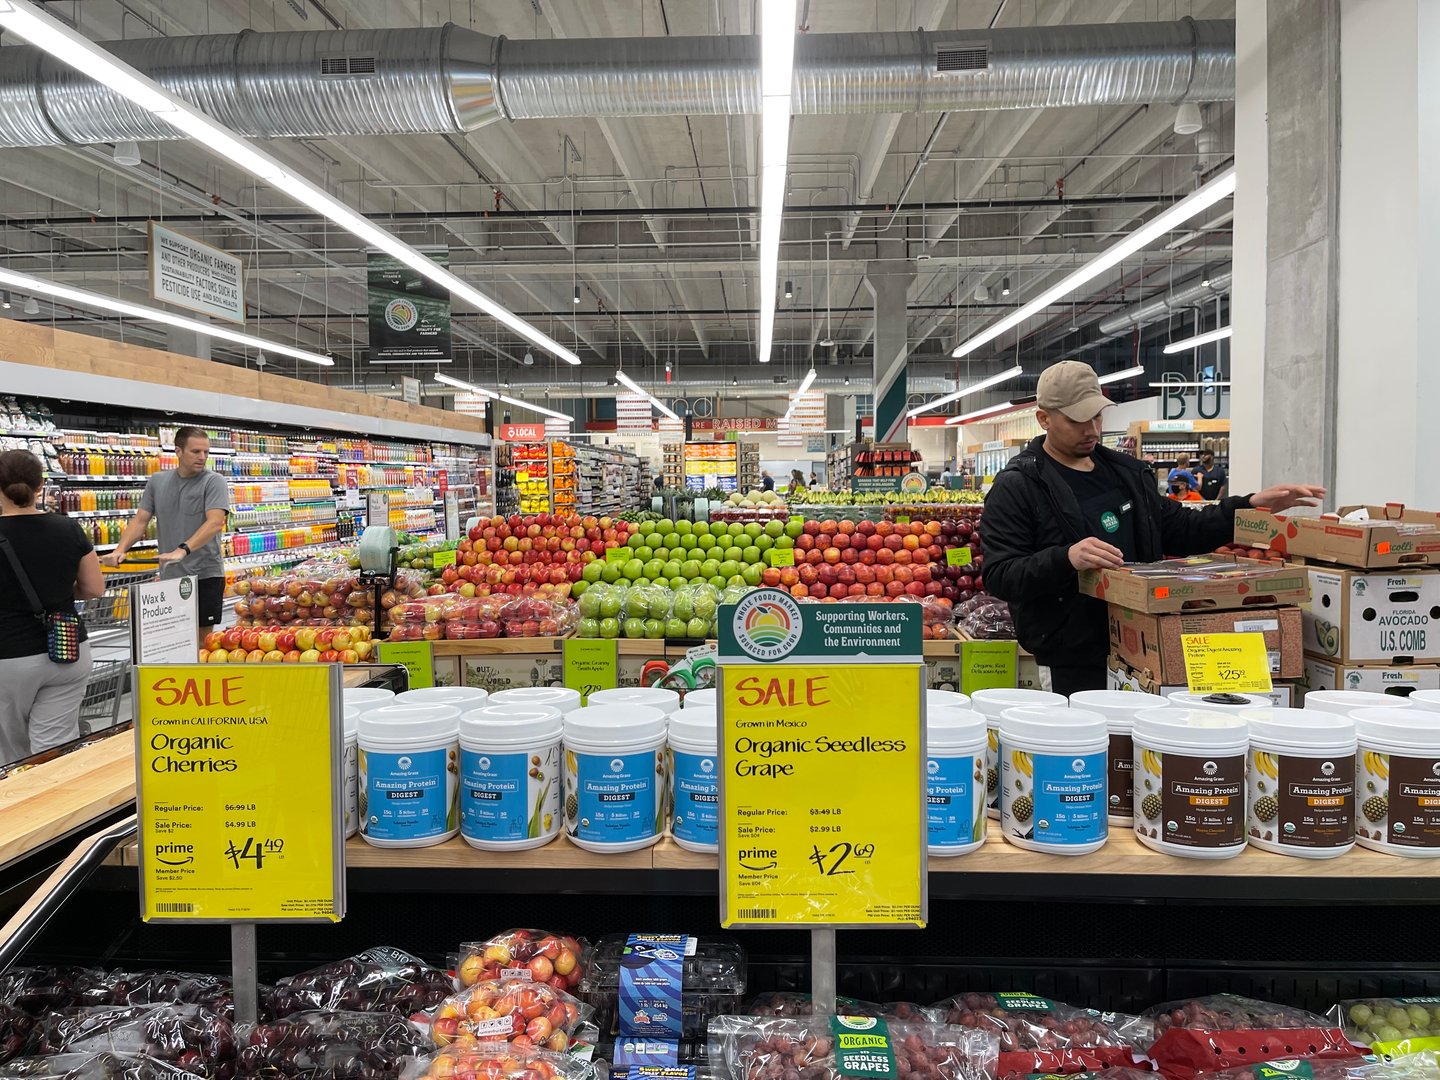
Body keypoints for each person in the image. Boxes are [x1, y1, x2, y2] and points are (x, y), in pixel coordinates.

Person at [982, 361, 1325, 696]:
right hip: (1069, 659)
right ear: (1044, 418)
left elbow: (1184, 529)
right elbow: (1001, 574)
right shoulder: (1020, 486)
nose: (1092, 430)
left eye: (1097, 416)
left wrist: (1248, 506)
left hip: (1142, 650)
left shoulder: (1127, 474)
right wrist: (1066, 558)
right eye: (1077, 420)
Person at [0, 450, 105, 763]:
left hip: (9, 657)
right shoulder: (68, 528)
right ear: (40, 486)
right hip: (67, 649)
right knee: (53, 750)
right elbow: (94, 587)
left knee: (11, 752)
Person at [101, 426, 228, 640]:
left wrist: (183, 550)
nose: (202, 457)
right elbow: (141, 519)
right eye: (195, 451)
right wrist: (120, 550)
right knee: (173, 639)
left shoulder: (213, 481)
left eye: (206, 452)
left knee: (202, 641)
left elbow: (215, 523)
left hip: (206, 574)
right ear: (178, 451)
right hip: (171, 574)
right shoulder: (158, 481)